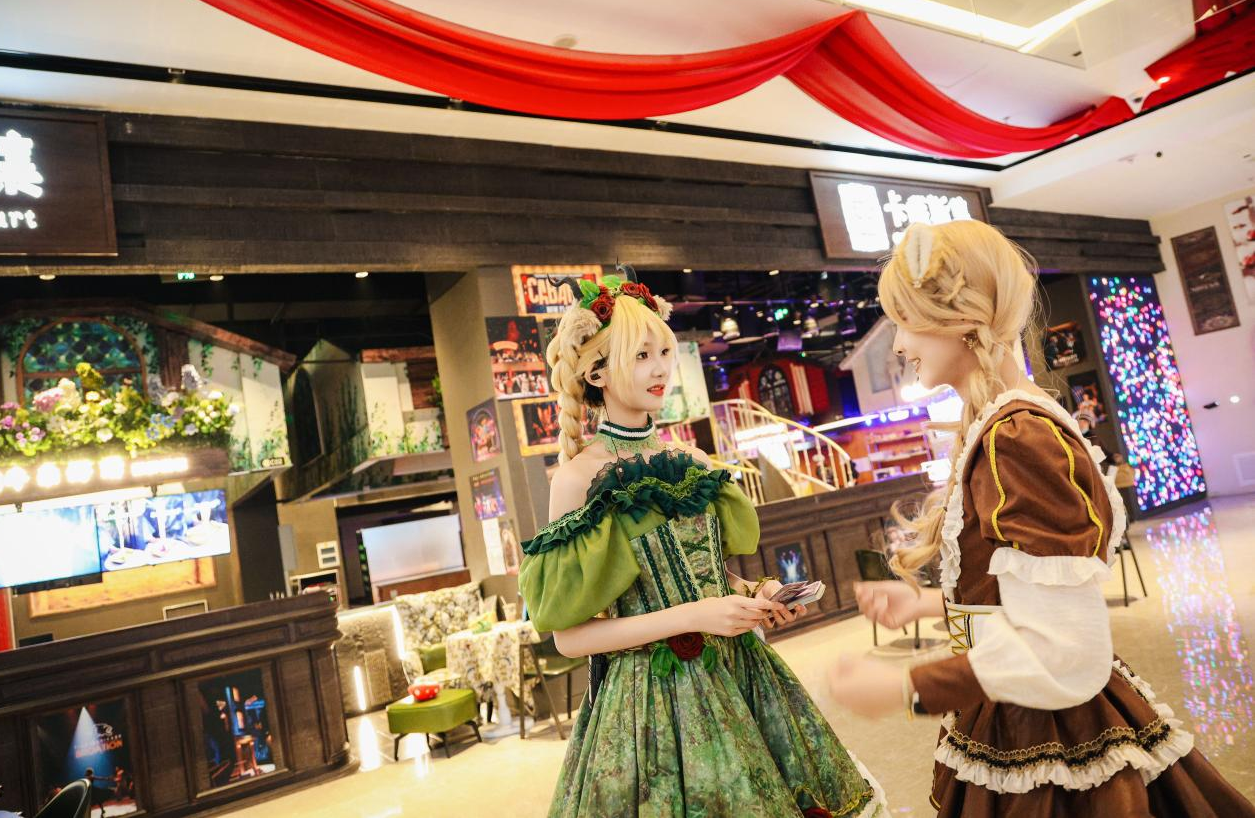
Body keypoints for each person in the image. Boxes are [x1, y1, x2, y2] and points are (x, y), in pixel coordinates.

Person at [829, 221, 1254, 817]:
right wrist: (928, 605)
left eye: (905, 319)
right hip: (1023, 710)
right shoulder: (1008, 424)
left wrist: (908, 688)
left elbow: (1062, 649)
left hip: (1050, 727)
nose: (898, 344)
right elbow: (1027, 602)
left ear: (959, 316)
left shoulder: (1017, 436)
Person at [519, 269, 885, 817]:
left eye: (664, 352)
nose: (661, 368)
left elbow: (705, 573)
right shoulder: (576, 479)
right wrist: (694, 615)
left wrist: (755, 593)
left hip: (740, 672)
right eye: (641, 356)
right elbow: (570, 638)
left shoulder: (690, 461)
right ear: (596, 372)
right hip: (652, 700)